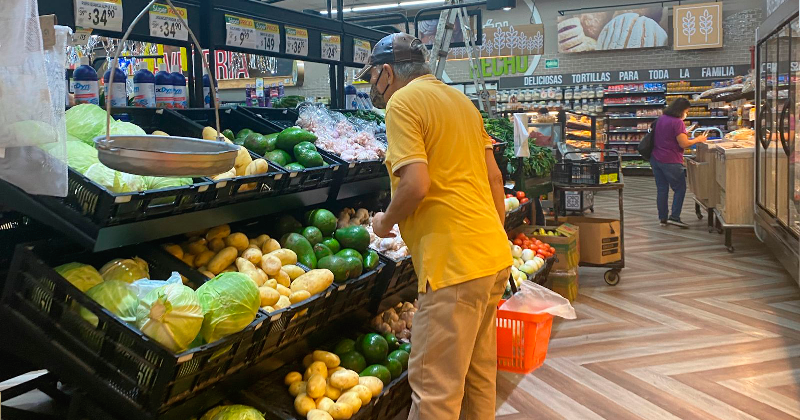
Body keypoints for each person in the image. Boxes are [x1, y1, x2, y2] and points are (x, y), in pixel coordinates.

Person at [356, 33, 512, 420]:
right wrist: (492, 239)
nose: (371, 85)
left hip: (453, 266)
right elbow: (495, 179)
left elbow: (415, 184)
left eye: (372, 76)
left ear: (387, 73)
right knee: (478, 377)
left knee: (434, 393)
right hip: (492, 258)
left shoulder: (402, 102)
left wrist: (384, 221)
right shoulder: (462, 103)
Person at [651, 97, 706, 228]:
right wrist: (698, 139)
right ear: (681, 110)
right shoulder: (677, 122)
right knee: (680, 188)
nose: (686, 113)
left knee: (662, 189)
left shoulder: (661, 118)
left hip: (656, 158)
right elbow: (683, 143)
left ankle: (663, 218)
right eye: (686, 111)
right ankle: (674, 217)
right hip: (671, 160)